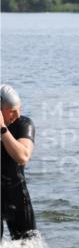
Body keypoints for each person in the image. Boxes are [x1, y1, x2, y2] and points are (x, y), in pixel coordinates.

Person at [1, 84, 37, 240]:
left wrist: (2, 128)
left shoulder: (23, 124)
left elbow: (22, 156)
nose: (17, 114)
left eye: (19, 109)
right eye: (12, 111)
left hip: (17, 194)